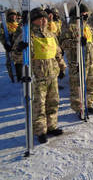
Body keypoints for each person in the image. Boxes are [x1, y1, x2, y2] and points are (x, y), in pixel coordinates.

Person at [13, 8, 66, 144]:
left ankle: (51, 126)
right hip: (37, 77)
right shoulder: (27, 35)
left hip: (52, 75)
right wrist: (19, 49)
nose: (43, 20)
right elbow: (16, 57)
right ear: (33, 20)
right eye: (40, 18)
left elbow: (58, 53)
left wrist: (62, 67)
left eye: (45, 18)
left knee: (53, 103)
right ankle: (41, 131)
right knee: (39, 106)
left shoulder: (51, 34)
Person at [61, 3, 93, 118]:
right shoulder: (70, 26)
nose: (86, 15)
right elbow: (63, 43)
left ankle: (89, 104)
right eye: (84, 13)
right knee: (77, 87)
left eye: (87, 13)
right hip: (77, 62)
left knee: (92, 85)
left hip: (91, 60)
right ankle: (79, 108)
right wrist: (77, 42)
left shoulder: (88, 26)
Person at [0, 9, 22, 82]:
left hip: (18, 47)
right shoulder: (4, 24)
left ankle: (20, 75)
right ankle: (13, 77)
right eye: (11, 15)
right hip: (9, 46)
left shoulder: (18, 24)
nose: (13, 16)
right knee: (10, 62)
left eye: (14, 15)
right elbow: (1, 35)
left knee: (19, 62)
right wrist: (5, 43)